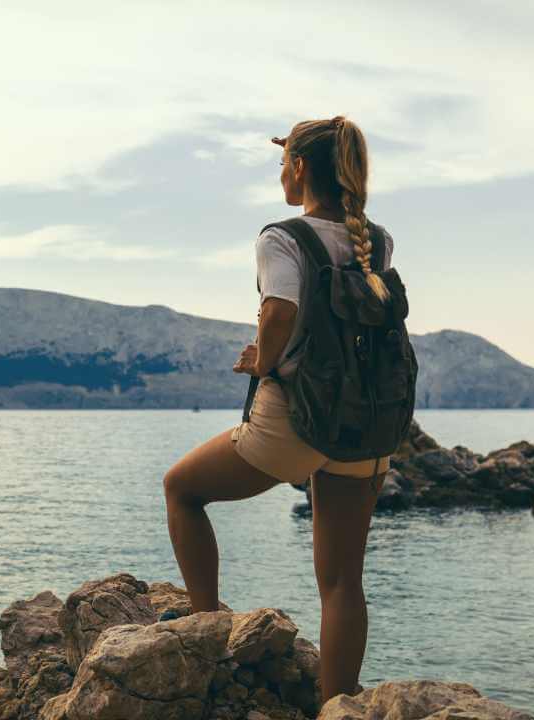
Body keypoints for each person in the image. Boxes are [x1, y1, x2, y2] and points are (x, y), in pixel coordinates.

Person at [162, 115, 394, 706]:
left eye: (282, 161)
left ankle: (205, 627)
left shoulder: (281, 237)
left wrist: (261, 361)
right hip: (364, 423)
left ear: (299, 168)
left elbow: (282, 311)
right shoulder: (378, 241)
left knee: (182, 489)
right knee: (342, 582)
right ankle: (339, 705)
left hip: (293, 419)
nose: (279, 173)